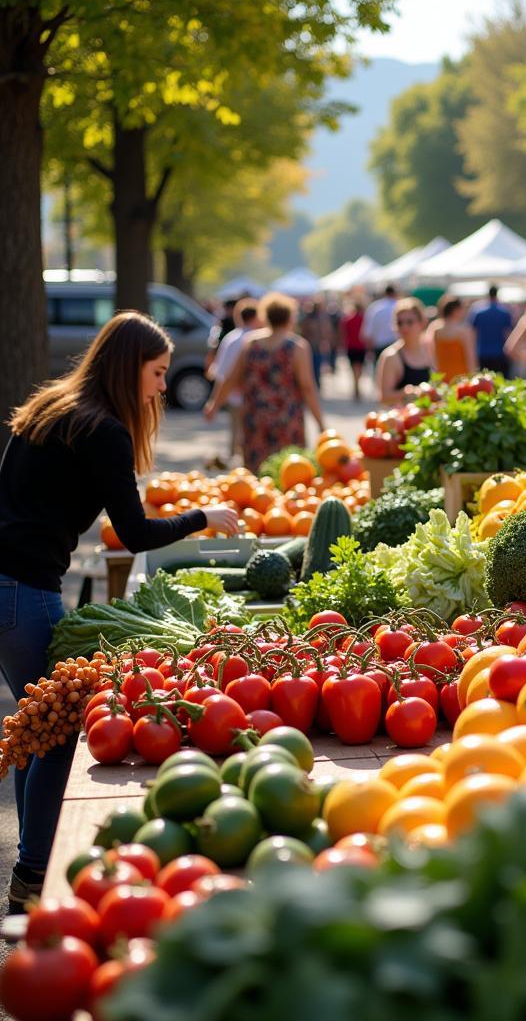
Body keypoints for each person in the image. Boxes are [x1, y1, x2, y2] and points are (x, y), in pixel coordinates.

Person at [0, 312, 239, 908]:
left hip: (8, 585)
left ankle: (31, 866)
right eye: (157, 373)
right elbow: (133, 534)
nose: (163, 386)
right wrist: (202, 519)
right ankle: (33, 877)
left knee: (35, 727)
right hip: (26, 591)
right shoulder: (103, 429)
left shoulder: (52, 408)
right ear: (128, 367)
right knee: (54, 732)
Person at [204, 292, 325, 473]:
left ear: (265, 315)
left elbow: (230, 379)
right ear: (290, 317)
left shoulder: (251, 344)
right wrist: (320, 423)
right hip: (287, 419)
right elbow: (307, 387)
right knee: (289, 471)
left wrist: (214, 404)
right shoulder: (297, 347)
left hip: (255, 418)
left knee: (257, 472)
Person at [206, 298, 260, 463]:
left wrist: (214, 402)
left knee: (236, 432)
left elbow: (221, 373)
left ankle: (236, 468)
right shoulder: (258, 339)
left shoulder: (231, 339)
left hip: (235, 396)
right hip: (256, 397)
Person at [377, 298, 437, 405]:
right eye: (399, 323)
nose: (404, 327)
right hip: (404, 418)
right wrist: (407, 392)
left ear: (422, 323)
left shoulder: (430, 347)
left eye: (410, 322)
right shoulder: (391, 356)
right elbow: (384, 398)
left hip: (429, 417)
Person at [427, 295, 478, 381]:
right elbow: (471, 358)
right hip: (461, 378)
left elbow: (431, 353)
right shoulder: (465, 330)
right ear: (455, 310)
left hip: (442, 376)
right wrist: (473, 377)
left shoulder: (435, 327)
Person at [469, 285, 513, 375]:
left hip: (482, 354)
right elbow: (508, 334)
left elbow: (473, 335)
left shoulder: (478, 313)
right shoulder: (505, 313)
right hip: (500, 354)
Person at [362, 284, 399, 363]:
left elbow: (368, 333)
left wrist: (369, 351)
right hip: (397, 347)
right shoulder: (399, 305)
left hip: (379, 348)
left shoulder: (375, 308)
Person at [299, 299, 332, 388]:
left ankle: (316, 384)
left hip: (316, 346)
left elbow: (324, 332)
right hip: (310, 346)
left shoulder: (319, 318)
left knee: (316, 366)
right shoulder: (309, 319)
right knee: (312, 366)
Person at [342, 300, 367, 401]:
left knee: (354, 369)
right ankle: (357, 387)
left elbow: (344, 333)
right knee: (359, 369)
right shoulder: (363, 319)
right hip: (360, 346)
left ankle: (356, 387)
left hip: (351, 347)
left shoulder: (348, 319)